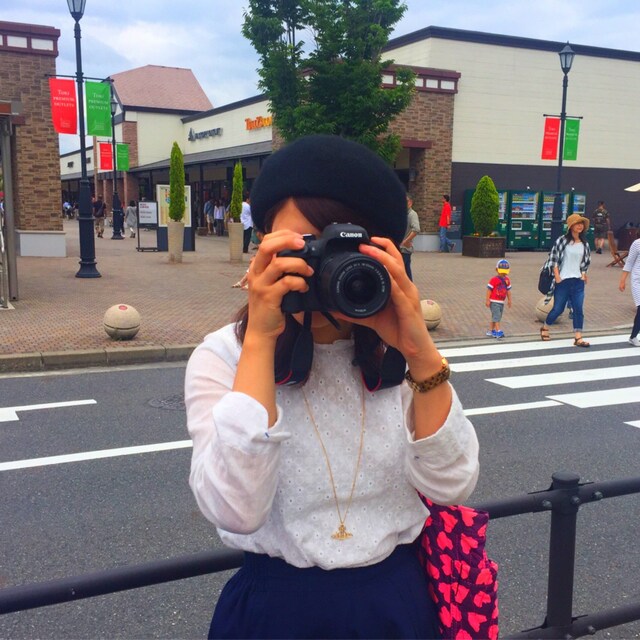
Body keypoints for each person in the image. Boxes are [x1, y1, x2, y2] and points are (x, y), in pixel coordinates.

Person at [185, 135, 479, 639]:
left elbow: (452, 485)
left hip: (394, 605)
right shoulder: (226, 356)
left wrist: (419, 351)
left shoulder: (392, 355)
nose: (323, 267)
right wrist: (261, 339)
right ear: (263, 250)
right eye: (305, 247)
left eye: (343, 249)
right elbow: (236, 511)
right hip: (275, 614)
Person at [540, 213, 592, 347]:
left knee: (578, 309)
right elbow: (553, 259)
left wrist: (584, 274)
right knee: (558, 309)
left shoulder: (585, 244)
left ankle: (578, 337)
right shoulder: (562, 241)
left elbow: (586, 261)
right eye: (577, 223)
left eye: (581, 224)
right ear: (571, 226)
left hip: (578, 281)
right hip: (563, 280)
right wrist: (557, 276)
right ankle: (545, 327)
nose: (580, 226)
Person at [619, 237, 640, 346]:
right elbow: (629, 262)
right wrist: (623, 280)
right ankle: (633, 336)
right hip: (638, 280)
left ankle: (633, 336)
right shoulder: (637, 243)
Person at [485, 259, 512, 339]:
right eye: (501, 272)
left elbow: (508, 291)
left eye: (505, 272)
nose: (503, 274)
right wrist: (487, 299)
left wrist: (509, 300)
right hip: (494, 301)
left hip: (501, 302)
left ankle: (490, 330)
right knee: (496, 316)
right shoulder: (494, 280)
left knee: (496, 316)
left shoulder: (507, 280)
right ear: (496, 270)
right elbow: (489, 290)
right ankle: (498, 330)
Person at [399, 193, 421, 281]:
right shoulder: (402, 214)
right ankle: (409, 286)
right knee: (406, 271)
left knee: (401, 272)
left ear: (410, 202)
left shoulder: (412, 214)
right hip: (400, 248)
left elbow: (416, 229)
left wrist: (406, 241)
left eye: (406, 201)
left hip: (404, 249)